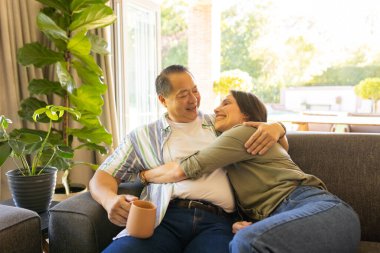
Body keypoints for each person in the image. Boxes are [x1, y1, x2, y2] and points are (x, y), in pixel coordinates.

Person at [89, 65, 286, 253]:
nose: (193, 100)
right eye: (183, 95)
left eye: (195, 91)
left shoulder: (219, 124)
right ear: (163, 100)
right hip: (163, 218)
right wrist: (109, 200)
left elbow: (265, 139)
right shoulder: (142, 136)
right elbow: (102, 177)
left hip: (217, 223)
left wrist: (278, 128)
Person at [142, 90, 361, 253]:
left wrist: (143, 175)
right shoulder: (247, 146)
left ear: (246, 115)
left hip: (320, 209)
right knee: (246, 238)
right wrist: (256, 225)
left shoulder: (244, 132)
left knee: (247, 241)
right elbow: (283, 149)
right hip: (304, 220)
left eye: (226, 103)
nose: (216, 109)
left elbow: (185, 169)